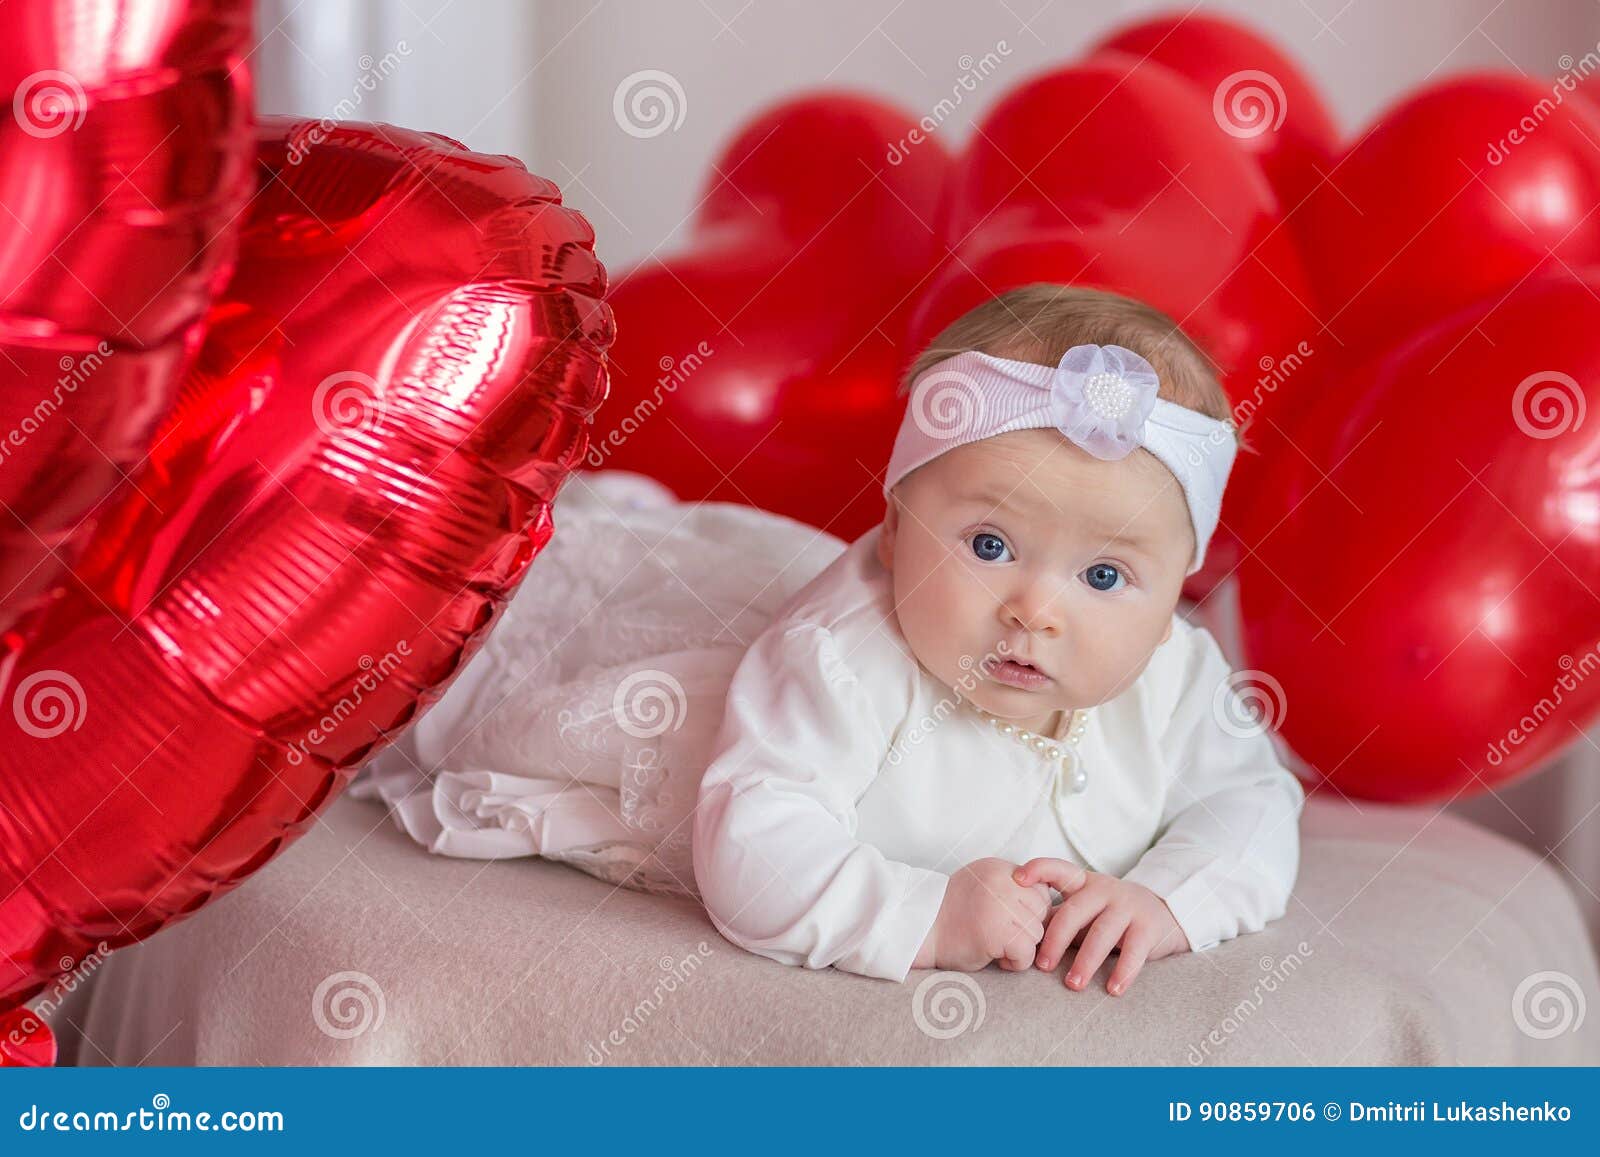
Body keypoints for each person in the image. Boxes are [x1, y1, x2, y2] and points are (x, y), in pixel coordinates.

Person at [353, 283, 1305, 998]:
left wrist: (1170, 899)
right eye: (987, 545)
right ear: (892, 531)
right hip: (698, 721)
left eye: (1103, 576)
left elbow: (1253, 800)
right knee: (497, 623)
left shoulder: (1175, 672)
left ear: (1179, 585)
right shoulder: (840, 660)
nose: (1035, 610)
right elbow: (758, 849)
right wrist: (923, 912)